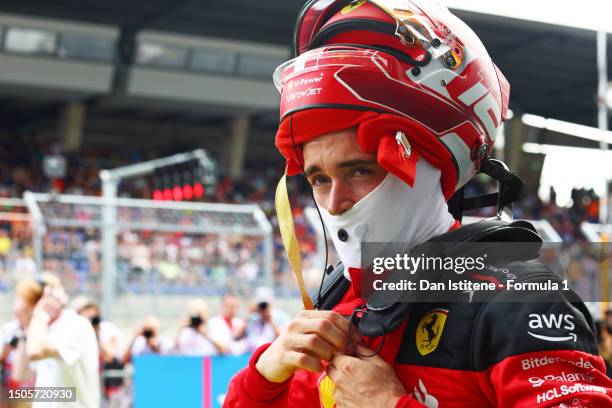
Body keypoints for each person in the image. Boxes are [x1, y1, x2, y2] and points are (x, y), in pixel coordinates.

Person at [224, 1, 612, 407]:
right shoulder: (339, 305)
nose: (335, 202)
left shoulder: (519, 299)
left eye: (359, 171)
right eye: (319, 178)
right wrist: (264, 376)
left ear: (431, 166)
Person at [11, 273, 100, 408]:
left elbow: (35, 350)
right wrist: (26, 329)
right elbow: (20, 374)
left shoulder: (76, 325)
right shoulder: (43, 331)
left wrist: (40, 313)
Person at [237, 287, 291, 353]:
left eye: (265, 304)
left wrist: (271, 321)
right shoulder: (252, 317)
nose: (263, 307)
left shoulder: (281, 316)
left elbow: (285, 340)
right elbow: (236, 337)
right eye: (260, 304)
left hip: (272, 355)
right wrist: (248, 314)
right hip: (252, 356)